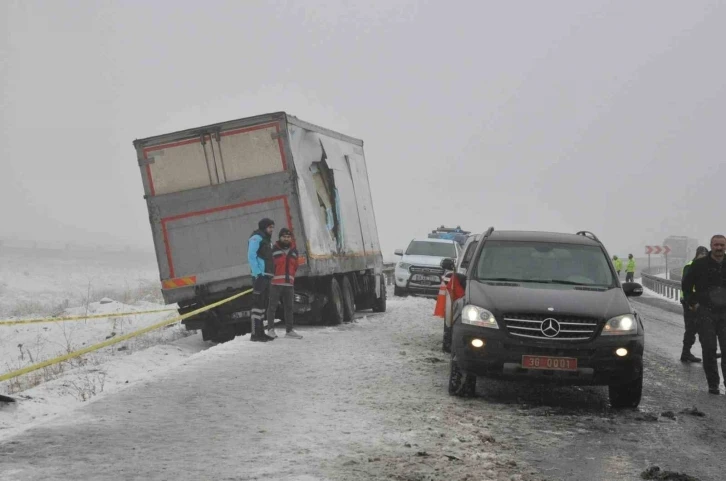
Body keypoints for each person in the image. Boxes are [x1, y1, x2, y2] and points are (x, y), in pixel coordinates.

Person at [682, 235, 726, 394]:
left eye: (722, 245)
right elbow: (686, 285)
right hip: (705, 312)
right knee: (709, 349)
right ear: (711, 246)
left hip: (725, 313)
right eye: (716, 245)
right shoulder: (699, 265)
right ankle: (713, 384)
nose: (719, 248)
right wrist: (693, 303)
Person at [266, 228, 303, 339]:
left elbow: (295, 266)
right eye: (284, 237)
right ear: (280, 238)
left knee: (289, 308)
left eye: (288, 237)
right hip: (275, 284)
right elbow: (268, 265)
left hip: (289, 285)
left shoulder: (294, 251)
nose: (286, 239)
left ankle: (289, 331)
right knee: (272, 307)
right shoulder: (273, 250)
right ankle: (270, 330)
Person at [248, 218, 276, 342]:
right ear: (264, 227)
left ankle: (261, 332)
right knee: (257, 305)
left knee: (263, 305)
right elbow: (251, 255)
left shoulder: (266, 239)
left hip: (266, 276)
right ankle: (255, 334)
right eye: (270, 228)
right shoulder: (256, 238)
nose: (272, 230)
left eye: (272, 228)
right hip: (260, 276)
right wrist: (257, 273)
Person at [680, 246, 709, 363]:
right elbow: (686, 286)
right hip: (690, 302)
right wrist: (690, 302)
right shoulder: (690, 266)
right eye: (702, 255)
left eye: (705, 255)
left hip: (701, 302)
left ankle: (708, 353)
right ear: (697, 255)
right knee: (691, 328)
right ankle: (685, 353)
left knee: (705, 328)